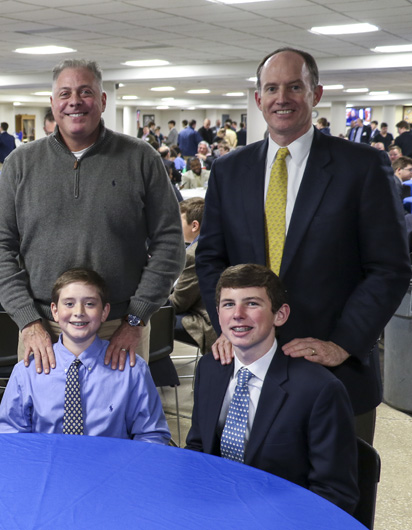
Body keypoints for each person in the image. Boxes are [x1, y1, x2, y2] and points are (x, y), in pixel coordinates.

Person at [195, 47, 411, 444]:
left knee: (336, 498)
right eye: (272, 88)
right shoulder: (229, 170)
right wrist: (229, 323)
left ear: (316, 93)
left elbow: (389, 268)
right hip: (246, 366)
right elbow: (211, 258)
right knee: (246, 492)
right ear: (258, 99)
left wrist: (343, 344)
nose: (283, 98)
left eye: (295, 86)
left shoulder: (362, 167)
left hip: (334, 370)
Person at [0, 58, 184, 375]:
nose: (74, 102)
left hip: (120, 329)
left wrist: (137, 318)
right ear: (52, 103)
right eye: (64, 93)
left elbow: (171, 244)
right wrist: (27, 320)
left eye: (85, 92)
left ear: (103, 100)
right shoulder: (20, 163)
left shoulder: (141, 158)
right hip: (42, 331)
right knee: (41, 424)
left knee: (121, 423)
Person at [186, 264, 358, 513]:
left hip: (282, 516)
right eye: (228, 304)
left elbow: (334, 494)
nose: (238, 314)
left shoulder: (319, 390)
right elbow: (198, 449)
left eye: (252, 304)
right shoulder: (210, 368)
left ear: (280, 314)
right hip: (216, 507)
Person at [0, 268, 170, 443]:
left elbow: (151, 434)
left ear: (105, 312)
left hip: (111, 466)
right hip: (46, 465)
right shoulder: (27, 372)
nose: (79, 312)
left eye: (90, 304)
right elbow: (9, 436)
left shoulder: (132, 370)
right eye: (69, 304)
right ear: (54, 311)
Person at [169, 198, 216, 351]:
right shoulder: (211, 244)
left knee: (150, 319)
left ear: (195, 225)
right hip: (215, 315)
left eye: (178, 221)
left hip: (207, 323)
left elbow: (178, 304)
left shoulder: (194, 253)